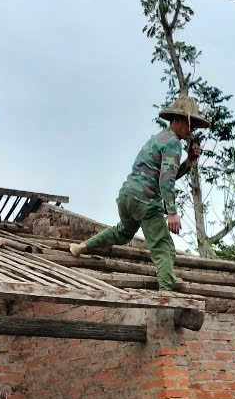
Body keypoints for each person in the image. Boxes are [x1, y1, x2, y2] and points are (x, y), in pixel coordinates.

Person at [68, 96, 207, 291]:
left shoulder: (158, 139)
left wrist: (189, 160)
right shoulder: (174, 143)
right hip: (146, 201)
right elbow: (165, 180)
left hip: (127, 197)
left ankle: (82, 247)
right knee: (164, 248)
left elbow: (165, 174)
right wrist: (172, 212)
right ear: (178, 120)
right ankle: (166, 298)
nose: (191, 130)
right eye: (190, 123)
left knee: (123, 232)